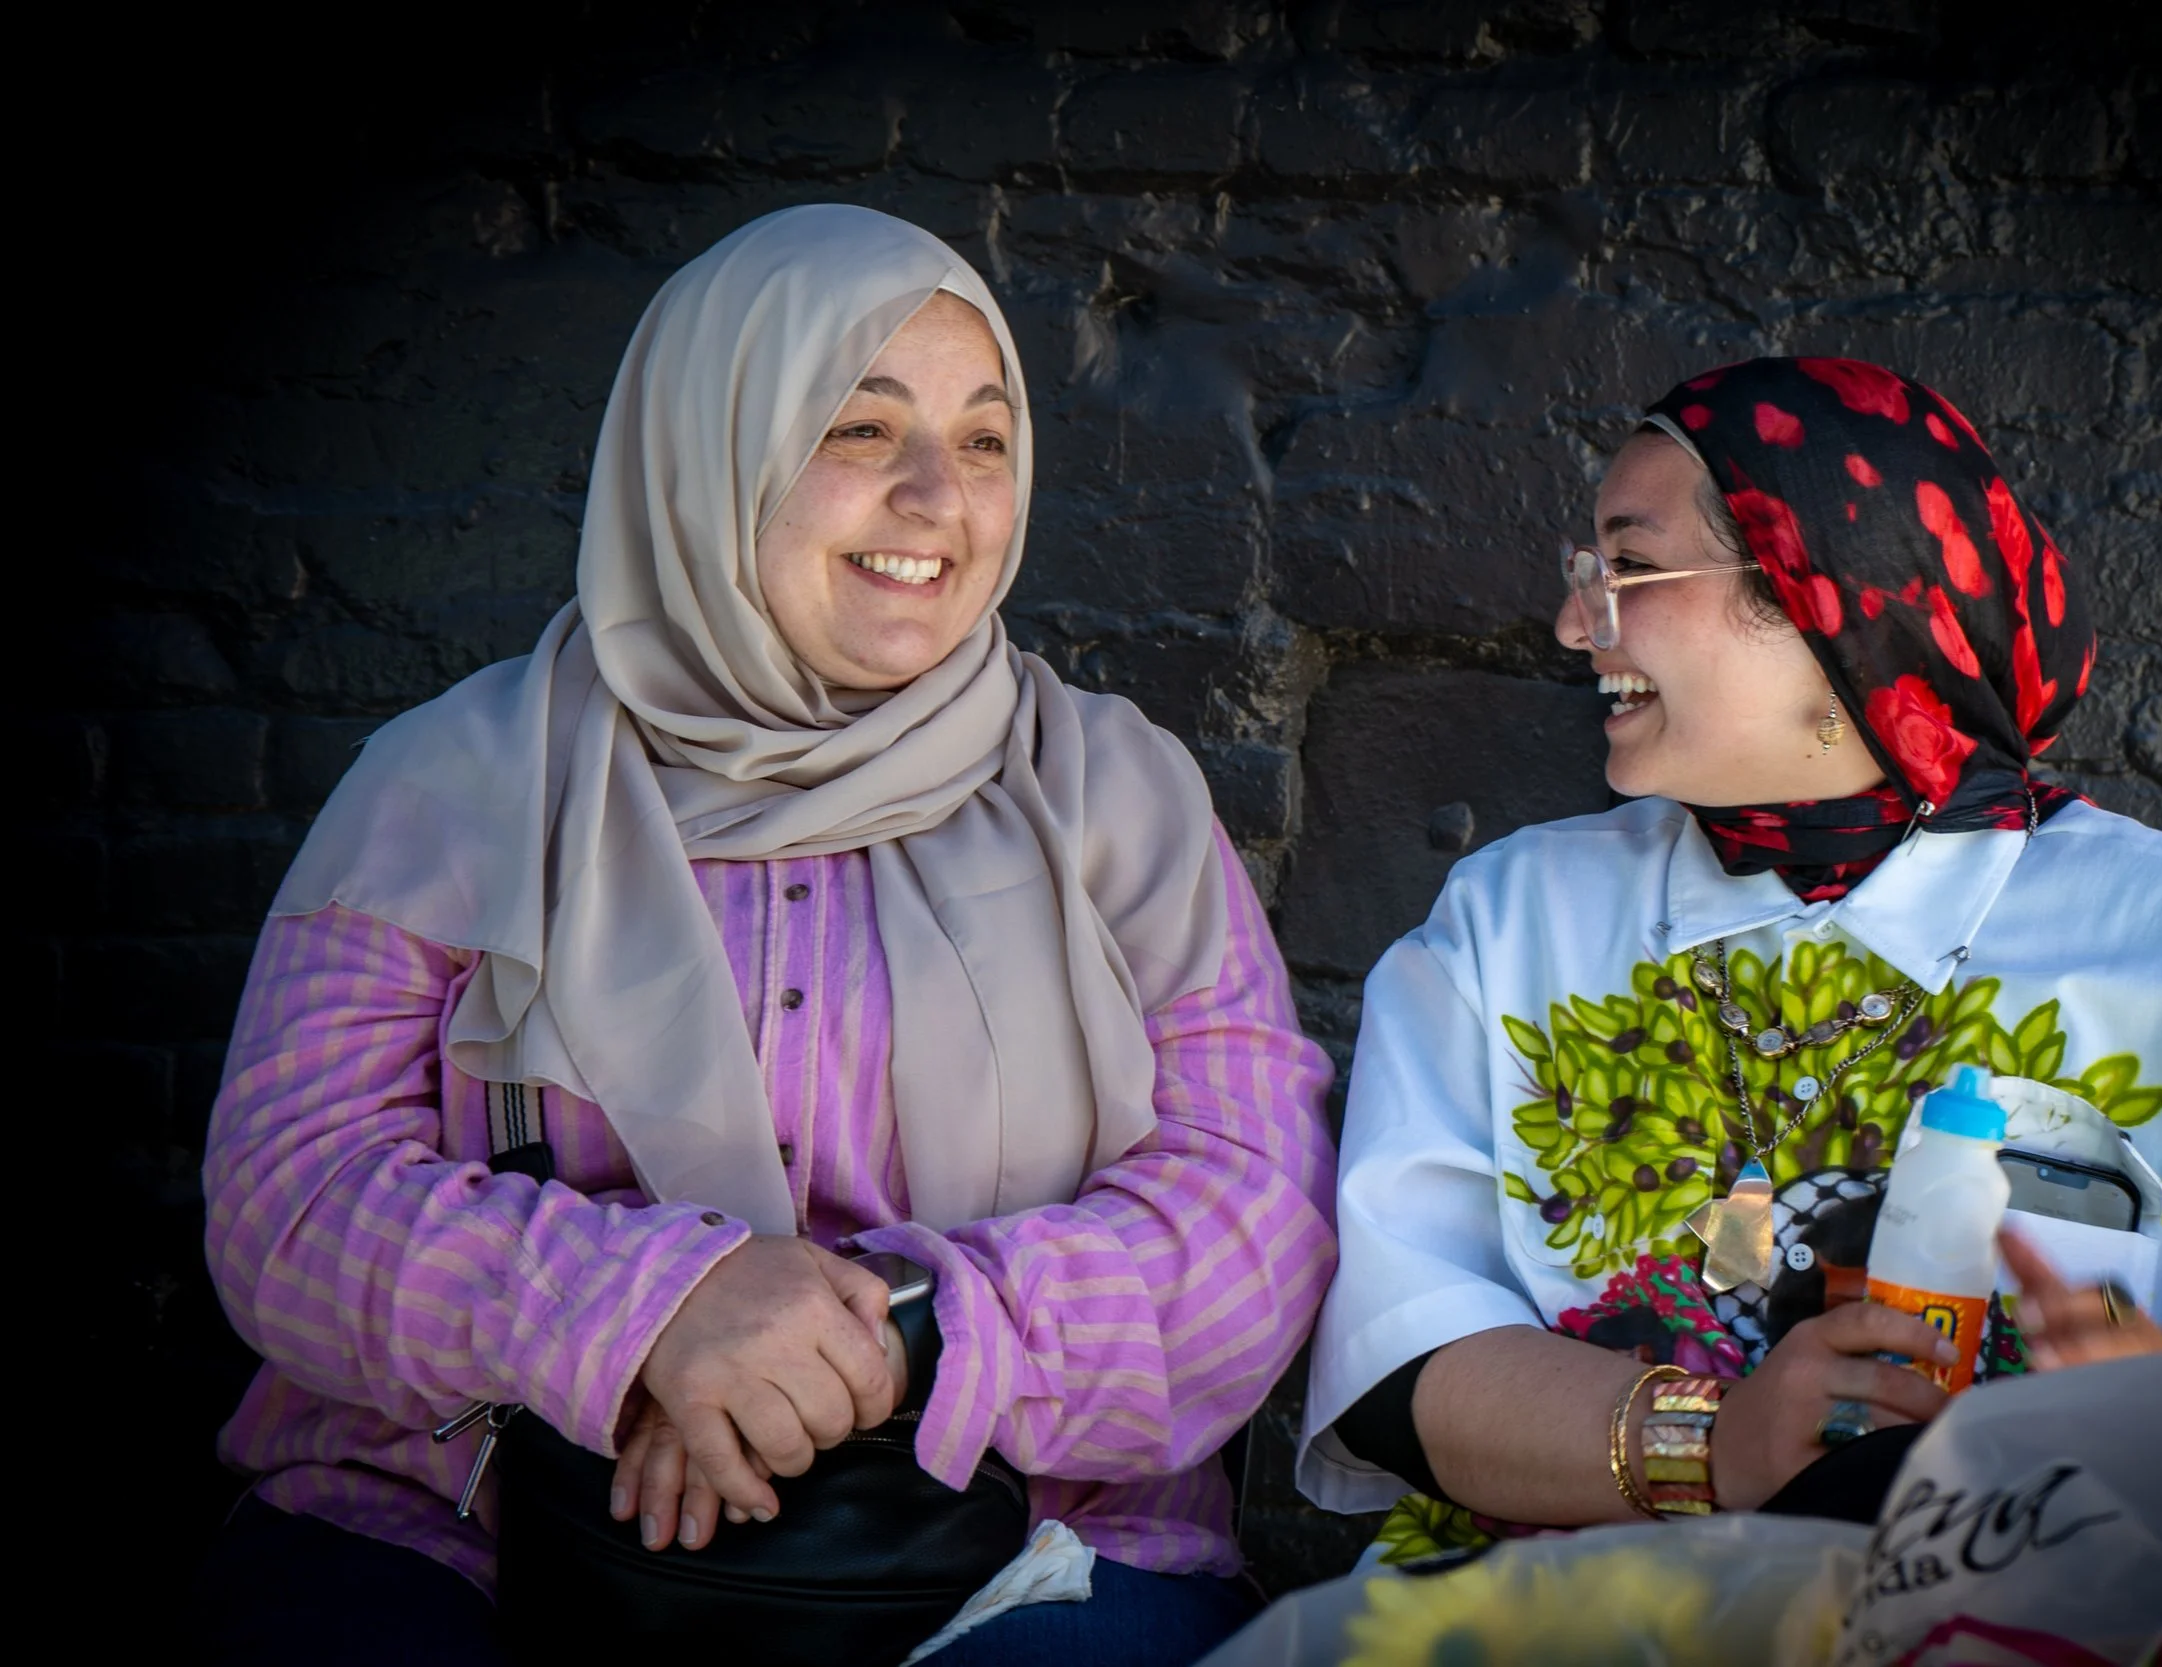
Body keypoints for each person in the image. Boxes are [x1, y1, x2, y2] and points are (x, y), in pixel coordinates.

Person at [198, 204, 1336, 1666]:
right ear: (707, 445)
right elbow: (293, 1194)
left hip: (1024, 1536)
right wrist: (646, 1311)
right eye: (862, 429)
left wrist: (906, 1335)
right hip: (471, 1517)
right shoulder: (458, 781)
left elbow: (1251, 1213)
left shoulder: (1113, 796)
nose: (941, 495)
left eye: (985, 440)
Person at [1299, 356, 2162, 1551]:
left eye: (1628, 565)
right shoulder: (1508, 923)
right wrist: (1711, 1443)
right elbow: (1399, 1350)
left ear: (1822, 593)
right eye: (1586, 572)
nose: (1574, 621)